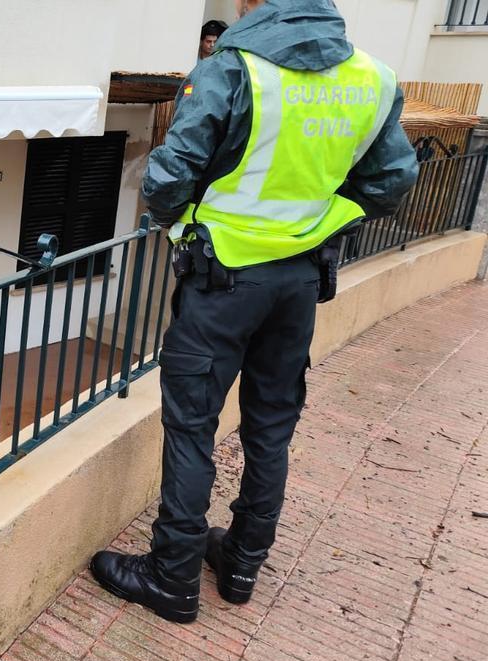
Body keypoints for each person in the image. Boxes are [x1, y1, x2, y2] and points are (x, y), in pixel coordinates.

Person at [90, 0, 419, 624]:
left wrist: (183, 223)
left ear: (252, 4)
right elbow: (393, 179)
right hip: (298, 283)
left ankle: (173, 576)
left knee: (192, 426)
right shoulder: (373, 77)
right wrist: (318, 221)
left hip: (224, 281)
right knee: (270, 426)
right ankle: (241, 563)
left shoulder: (233, 66)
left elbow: (168, 177)